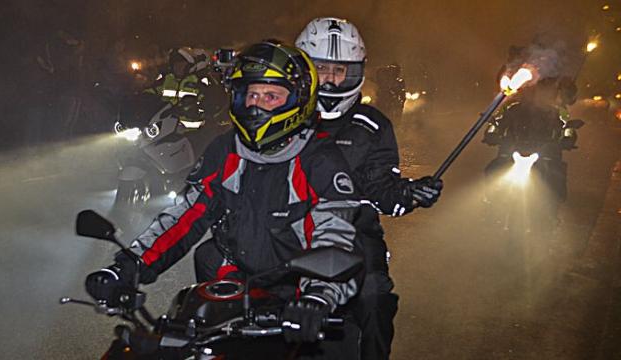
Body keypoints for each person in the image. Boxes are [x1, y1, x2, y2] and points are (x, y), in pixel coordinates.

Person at [86, 41, 366, 358]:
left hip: (300, 300)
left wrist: (317, 298)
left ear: (298, 99)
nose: (257, 106)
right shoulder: (226, 151)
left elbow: (334, 236)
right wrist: (126, 267)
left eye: (271, 96)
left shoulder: (320, 160)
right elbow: (185, 216)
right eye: (251, 95)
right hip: (238, 289)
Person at [295, 17, 443, 360]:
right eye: (321, 69)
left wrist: (410, 194)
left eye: (340, 70)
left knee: (376, 298)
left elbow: (382, 188)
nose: (331, 79)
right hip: (288, 226)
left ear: (357, 71)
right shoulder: (284, 115)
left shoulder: (372, 124)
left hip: (354, 231)